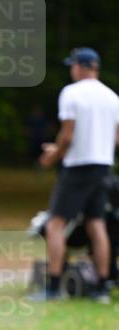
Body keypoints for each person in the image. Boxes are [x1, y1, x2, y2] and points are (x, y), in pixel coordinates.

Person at [39, 47, 119, 302]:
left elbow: (68, 135)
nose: (72, 70)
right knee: (97, 224)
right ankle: (101, 287)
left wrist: (52, 156)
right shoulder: (112, 97)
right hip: (103, 166)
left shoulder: (71, 93)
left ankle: (52, 287)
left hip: (77, 167)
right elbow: (116, 138)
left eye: (73, 65)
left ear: (81, 67)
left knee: (54, 224)